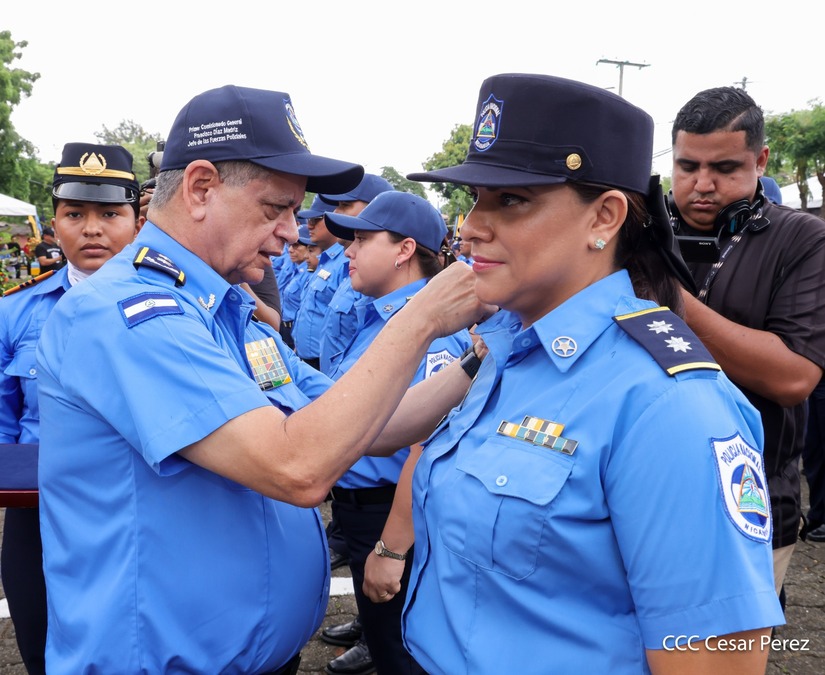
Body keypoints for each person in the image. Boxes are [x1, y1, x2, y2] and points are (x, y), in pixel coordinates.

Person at [34, 84, 488, 675]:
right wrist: (422, 316)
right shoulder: (127, 314)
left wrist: (476, 360)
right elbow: (297, 468)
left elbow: (373, 426)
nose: (292, 232)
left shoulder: (229, 314)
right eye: (275, 209)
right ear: (200, 188)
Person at [363, 73, 784, 673]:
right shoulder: (508, 348)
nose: (473, 226)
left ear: (604, 218)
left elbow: (718, 659)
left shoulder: (667, 405)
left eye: (512, 200)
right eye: (476, 199)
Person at [669, 86, 825, 592]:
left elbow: (794, 377)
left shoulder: (802, 240)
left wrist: (671, 300)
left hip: (749, 504)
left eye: (725, 169)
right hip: (643, 493)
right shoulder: (638, 230)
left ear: (760, 161)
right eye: (687, 166)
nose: (702, 185)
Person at [0, 142, 142, 675]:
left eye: (110, 214)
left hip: (138, 508)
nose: (92, 228)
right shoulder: (15, 312)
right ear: (54, 223)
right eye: (74, 214)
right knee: (39, 645)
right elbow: (4, 424)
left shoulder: (173, 307)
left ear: (136, 222)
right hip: (38, 510)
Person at [321, 191, 471, 675]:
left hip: (390, 513)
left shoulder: (430, 330)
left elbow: (426, 444)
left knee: (402, 653)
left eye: (363, 239)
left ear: (404, 250)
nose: (348, 250)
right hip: (360, 508)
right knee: (385, 645)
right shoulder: (378, 316)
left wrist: (390, 546)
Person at [317, 173, 394, 375]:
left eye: (344, 205)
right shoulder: (352, 266)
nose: (336, 211)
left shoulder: (380, 279)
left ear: (376, 208)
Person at [291, 194, 341, 369]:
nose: (309, 225)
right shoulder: (325, 259)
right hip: (306, 357)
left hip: (326, 363)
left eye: (316, 219)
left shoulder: (346, 262)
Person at [279, 224, 314, 349]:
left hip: (294, 331)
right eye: (290, 245)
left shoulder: (310, 273)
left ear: (309, 248)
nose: (290, 250)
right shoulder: (294, 268)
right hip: (284, 327)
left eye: (296, 246)